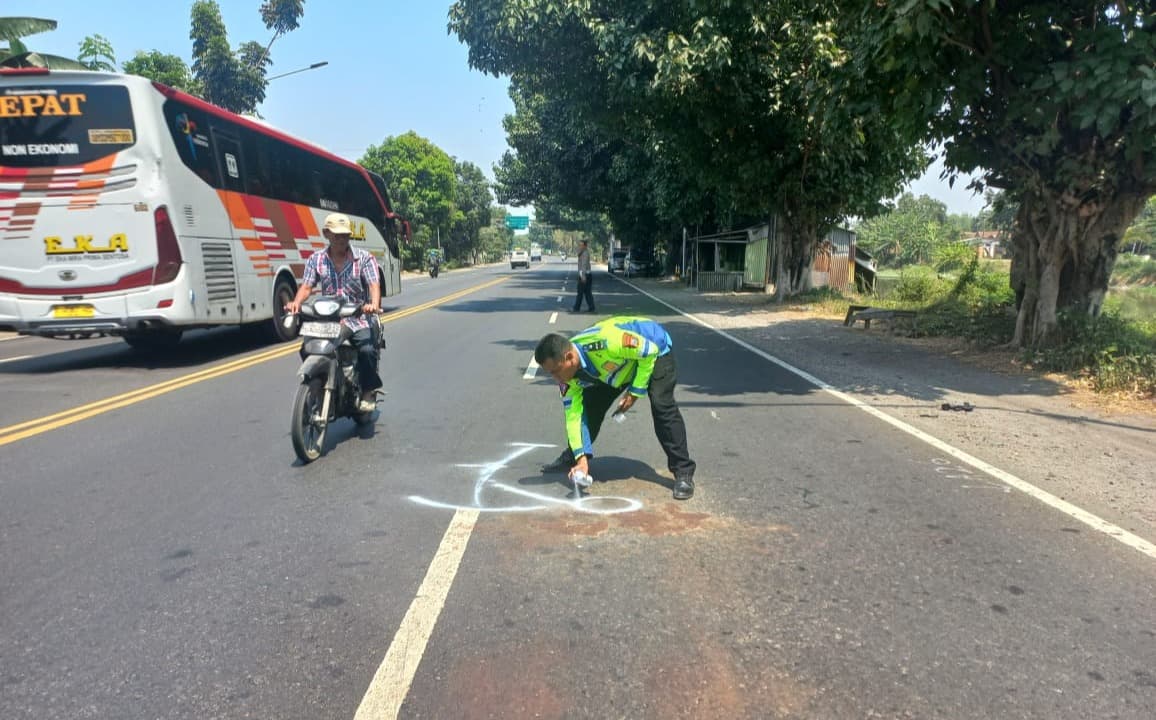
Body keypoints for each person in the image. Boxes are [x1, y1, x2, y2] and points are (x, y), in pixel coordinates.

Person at [534, 316, 696, 500]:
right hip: (616, 369)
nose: (555, 378)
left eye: (556, 371)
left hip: (654, 350)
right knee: (590, 410)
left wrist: (634, 392)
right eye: (550, 374)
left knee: (661, 405)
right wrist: (581, 458)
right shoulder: (567, 377)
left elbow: (648, 351)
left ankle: (683, 472)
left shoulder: (606, 342)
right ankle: (575, 457)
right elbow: (573, 417)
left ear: (569, 357)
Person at [285, 212, 383, 413]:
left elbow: (374, 285)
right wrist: (296, 303)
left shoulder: (364, 259)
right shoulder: (316, 259)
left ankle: (367, 390)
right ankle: (319, 382)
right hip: (325, 319)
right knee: (306, 347)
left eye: (345, 235)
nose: (341, 239)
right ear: (326, 234)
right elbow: (306, 286)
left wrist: (372, 304)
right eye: (336, 235)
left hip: (356, 317)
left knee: (366, 350)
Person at [571, 239, 595, 313]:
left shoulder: (585, 253)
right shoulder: (582, 252)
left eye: (581, 245)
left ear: (585, 246)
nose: (580, 246)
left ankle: (576, 308)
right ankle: (591, 307)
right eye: (579, 245)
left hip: (585, 275)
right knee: (587, 292)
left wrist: (583, 276)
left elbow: (584, 265)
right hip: (585, 275)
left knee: (580, 292)